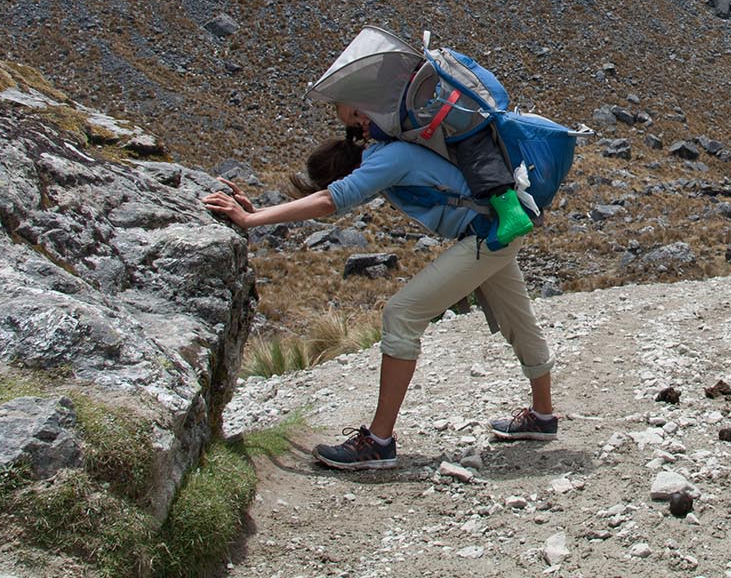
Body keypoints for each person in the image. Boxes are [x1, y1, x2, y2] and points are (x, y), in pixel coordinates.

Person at [204, 102, 558, 471]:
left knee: (401, 315)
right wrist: (256, 211)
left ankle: (378, 441)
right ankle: (542, 416)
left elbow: (329, 200)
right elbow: (330, 196)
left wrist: (251, 219)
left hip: (487, 235)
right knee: (517, 318)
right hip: (496, 230)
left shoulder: (389, 158)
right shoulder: (386, 157)